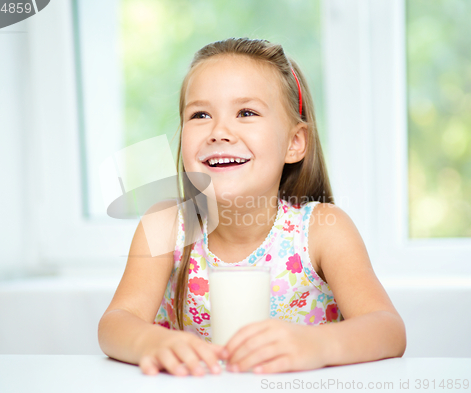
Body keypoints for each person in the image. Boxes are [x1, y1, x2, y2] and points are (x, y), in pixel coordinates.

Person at [98, 37, 406, 377]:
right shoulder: (166, 225)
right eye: (200, 114)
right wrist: (149, 342)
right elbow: (115, 323)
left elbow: (388, 329)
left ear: (294, 143)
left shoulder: (323, 230)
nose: (219, 131)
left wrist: (317, 345)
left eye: (246, 112)